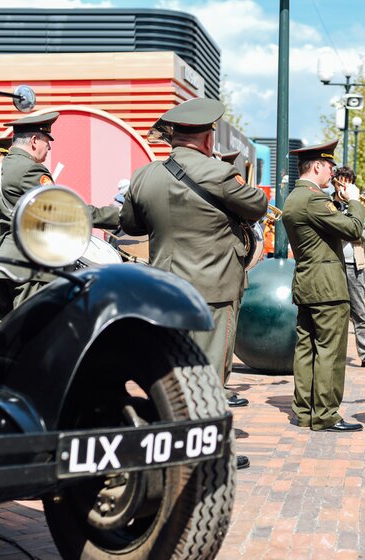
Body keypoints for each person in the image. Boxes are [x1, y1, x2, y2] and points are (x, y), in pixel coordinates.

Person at [120, 99, 268, 469]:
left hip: (166, 289)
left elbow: (132, 224)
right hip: (214, 290)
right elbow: (257, 206)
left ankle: (168, 440)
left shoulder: (145, 176)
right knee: (210, 373)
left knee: (169, 369)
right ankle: (207, 450)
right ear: (206, 137)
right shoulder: (219, 174)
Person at [0, 112, 120, 320]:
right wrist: (117, 216)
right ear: (34, 141)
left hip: (3, 260)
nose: (49, 148)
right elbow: (67, 209)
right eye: (46, 141)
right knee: (34, 329)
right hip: (32, 262)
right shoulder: (30, 169)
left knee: (4, 333)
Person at [281, 140, 365, 432]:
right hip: (328, 287)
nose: (332, 173)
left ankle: (304, 411)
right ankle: (326, 414)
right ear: (317, 166)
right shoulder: (315, 199)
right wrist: (354, 200)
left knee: (306, 349)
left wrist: (339, 203)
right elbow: (354, 230)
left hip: (307, 282)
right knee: (330, 350)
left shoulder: (295, 197)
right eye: (329, 167)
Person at [332, 166, 365, 370]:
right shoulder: (328, 204)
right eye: (340, 181)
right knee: (335, 312)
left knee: (359, 312)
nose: (343, 185)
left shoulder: (361, 205)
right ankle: (335, 353)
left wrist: (351, 231)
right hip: (333, 263)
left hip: (355, 263)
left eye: (347, 181)